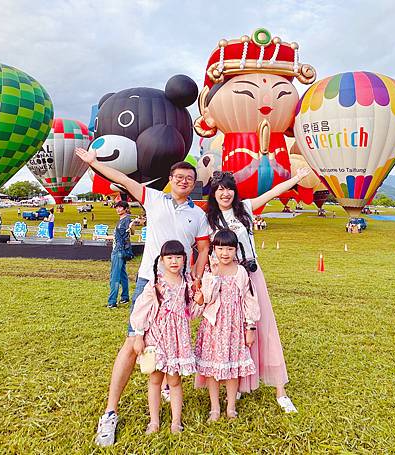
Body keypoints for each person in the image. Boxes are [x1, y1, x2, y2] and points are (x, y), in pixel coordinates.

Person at [75, 147, 210, 447]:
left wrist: (197, 277)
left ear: (194, 182)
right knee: (133, 344)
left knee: (174, 340)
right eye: (178, 177)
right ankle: (110, 412)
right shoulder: (154, 198)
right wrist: (95, 164)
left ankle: (167, 396)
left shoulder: (198, 214)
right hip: (150, 282)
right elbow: (123, 178)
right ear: (171, 180)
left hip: (180, 285)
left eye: (189, 178)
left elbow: (203, 250)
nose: (184, 182)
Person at [206, 167, 309, 413]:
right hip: (225, 280)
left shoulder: (247, 209)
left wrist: (296, 179)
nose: (225, 193)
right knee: (234, 331)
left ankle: (280, 390)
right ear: (213, 193)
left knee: (264, 327)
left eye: (229, 188)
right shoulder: (208, 219)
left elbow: (273, 193)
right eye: (220, 189)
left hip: (250, 275)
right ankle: (240, 383)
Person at [130, 240, 202, 434]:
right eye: (169, 257)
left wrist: (200, 301)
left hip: (178, 342)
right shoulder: (155, 284)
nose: (174, 261)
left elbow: (192, 313)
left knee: (175, 381)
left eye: (178, 257)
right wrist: (138, 336)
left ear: (184, 259)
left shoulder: (187, 284)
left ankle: (175, 421)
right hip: (157, 339)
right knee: (154, 380)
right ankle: (154, 421)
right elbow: (141, 311)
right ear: (162, 260)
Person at [194, 229, 260, 421]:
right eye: (220, 248)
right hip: (213, 327)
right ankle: (215, 407)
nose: (225, 253)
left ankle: (231, 406)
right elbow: (206, 298)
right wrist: (212, 277)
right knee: (212, 369)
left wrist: (250, 327)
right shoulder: (210, 271)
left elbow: (249, 300)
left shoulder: (241, 272)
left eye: (229, 249)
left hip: (234, 327)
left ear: (235, 250)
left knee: (233, 369)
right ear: (214, 249)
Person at [99, 201, 132, 309]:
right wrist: (101, 237)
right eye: (116, 207)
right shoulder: (122, 220)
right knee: (122, 275)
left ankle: (112, 302)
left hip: (118, 251)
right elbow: (116, 237)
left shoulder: (126, 219)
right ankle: (125, 297)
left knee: (115, 277)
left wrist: (133, 225)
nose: (118, 209)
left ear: (126, 208)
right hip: (120, 250)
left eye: (120, 207)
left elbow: (131, 231)